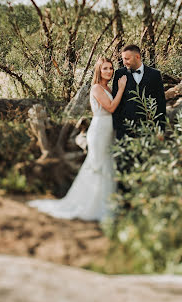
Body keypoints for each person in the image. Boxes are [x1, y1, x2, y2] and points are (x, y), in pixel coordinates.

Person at [28, 57, 127, 221]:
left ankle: (107, 204)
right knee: (98, 165)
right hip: (99, 131)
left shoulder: (107, 88)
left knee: (107, 164)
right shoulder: (96, 88)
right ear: (98, 71)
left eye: (110, 68)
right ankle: (93, 206)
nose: (109, 71)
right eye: (105, 69)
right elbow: (110, 108)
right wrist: (122, 89)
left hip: (108, 131)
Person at [112, 44, 166, 140]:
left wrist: (161, 129)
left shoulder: (155, 74)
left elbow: (161, 104)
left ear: (137, 57)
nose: (124, 62)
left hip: (150, 129)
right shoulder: (119, 74)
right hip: (126, 130)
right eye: (123, 59)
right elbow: (116, 103)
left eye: (127, 59)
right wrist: (118, 129)